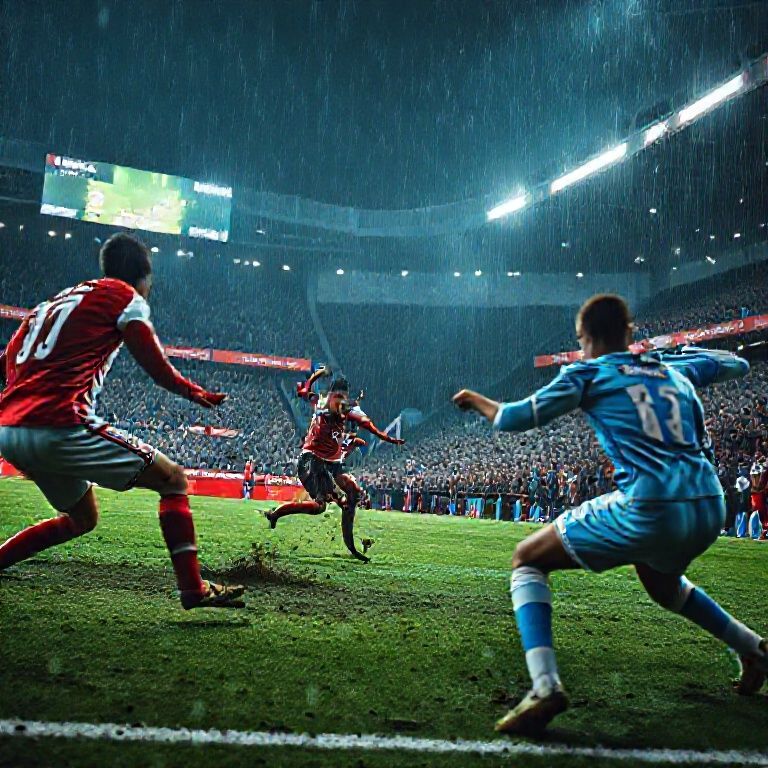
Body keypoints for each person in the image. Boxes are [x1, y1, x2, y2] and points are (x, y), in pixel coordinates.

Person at [453, 293, 765, 736]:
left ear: (585, 337)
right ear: (629, 331)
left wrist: (476, 401)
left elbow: (512, 418)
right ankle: (753, 649)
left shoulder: (588, 372)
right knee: (664, 587)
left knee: (528, 559)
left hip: (652, 504)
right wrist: (680, 359)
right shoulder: (672, 370)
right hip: (709, 503)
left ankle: (544, 686)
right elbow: (739, 364)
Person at [0, 232, 244, 609]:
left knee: (82, 518)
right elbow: (151, 359)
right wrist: (192, 391)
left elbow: (5, 364)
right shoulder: (124, 296)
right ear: (142, 277)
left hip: (10, 430)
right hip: (59, 423)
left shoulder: (48, 306)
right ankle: (193, 589)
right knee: (173, 479)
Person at [265, 367, 404, 561]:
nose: (339, 401)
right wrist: (317, 375)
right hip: (312, 460)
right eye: (337, 396)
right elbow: (308, 391)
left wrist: (388, 438)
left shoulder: (340, 411)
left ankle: (351, 545)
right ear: (330, 395)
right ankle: (276, 514)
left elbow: (365, 424)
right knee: (320, 507)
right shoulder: (324, 404)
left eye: (342, 397)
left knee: (353, 492)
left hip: (331, 464)